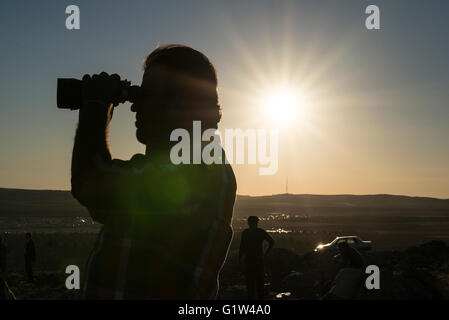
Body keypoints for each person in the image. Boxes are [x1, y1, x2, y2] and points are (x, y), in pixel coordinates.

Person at [71, 44, 236, 299]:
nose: (136, 106)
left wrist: (96, 105)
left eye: (147, 94)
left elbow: (90, 184)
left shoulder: (196, 166)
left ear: (183, 103)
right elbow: (104, 207)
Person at [239, 216, 274, 300]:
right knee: (252, 284)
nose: (256, 224)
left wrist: (266, 254)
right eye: (254, 223)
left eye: (256, 223)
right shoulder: (254, 232)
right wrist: (240, 258)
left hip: (256, 261)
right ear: (249, 223)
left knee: (258, 284)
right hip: (252, 261)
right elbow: (242, 247)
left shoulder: (250, 232)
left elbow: (272, 242)